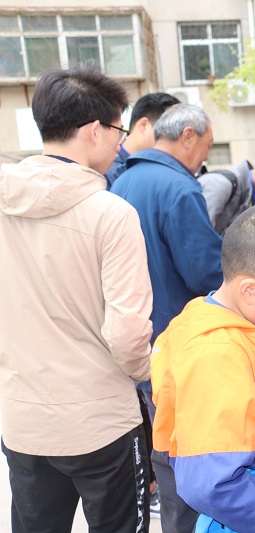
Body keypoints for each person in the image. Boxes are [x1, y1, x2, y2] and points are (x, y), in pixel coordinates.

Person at [0, 67, 152, 531]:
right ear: (94, 130)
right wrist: (150, 374)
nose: (120, 146)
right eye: (119, 132)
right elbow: (127, 336)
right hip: (100, 420)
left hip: (24, 419)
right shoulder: (111, 214)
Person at [151, 202, 255, 532]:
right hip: (254, 514)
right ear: (250, 290)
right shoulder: (215, 356)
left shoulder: (242, 321)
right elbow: (212, 485)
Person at [111, 103, 223, 531]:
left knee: (164, 446)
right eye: (206, 145)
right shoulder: (179, 188)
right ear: (188, 136)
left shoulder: (124, 180)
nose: (205, 157)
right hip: (180, 342)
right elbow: (204, 271)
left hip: (138, 342)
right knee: (192, 452)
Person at [104, 92, 180, 188]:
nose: (171, 140)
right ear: (143, 125)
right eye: (167, 131)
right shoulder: (108, 170)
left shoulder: (162, 170)